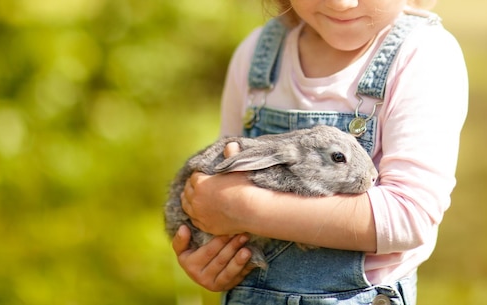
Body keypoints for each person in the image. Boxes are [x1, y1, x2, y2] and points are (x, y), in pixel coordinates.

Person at [173, 0, 468, 304]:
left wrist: (245, 207)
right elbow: (222, 170)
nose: (342, 3)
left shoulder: (423, 56)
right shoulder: (256, 55)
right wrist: (211, 253)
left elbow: (406, 216)